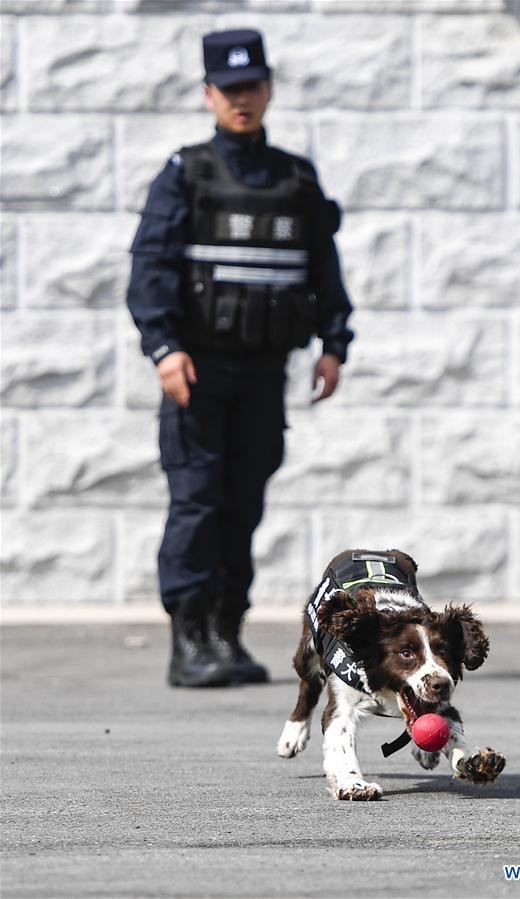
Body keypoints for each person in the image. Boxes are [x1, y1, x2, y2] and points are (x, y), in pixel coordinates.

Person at [127, 29, 353, 688]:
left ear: (268, 88)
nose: (241, 99)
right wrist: (164, 349)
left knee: (243, 501)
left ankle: (227, 630)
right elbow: (150, 269)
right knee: (197, 500)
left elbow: (322, 267)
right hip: (197, 371)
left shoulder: (294, 178)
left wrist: (334, 342)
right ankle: (188, 636)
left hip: (262, 373)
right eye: (228, 90)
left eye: (251, 86)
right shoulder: (185, 173)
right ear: (208, 95)